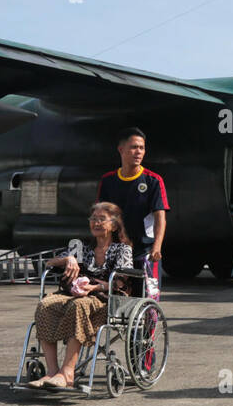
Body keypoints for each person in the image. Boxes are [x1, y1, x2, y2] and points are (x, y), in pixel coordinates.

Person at [29, 203, 134, 389]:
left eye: (102, 219)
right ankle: (52, 372)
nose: (96, 223)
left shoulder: (122, 250)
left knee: (79, 306)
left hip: (105, 299)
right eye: (93, 219)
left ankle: (67, 373)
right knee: (45, 305)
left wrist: (92, 288)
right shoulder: (81, 247)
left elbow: (119, 282)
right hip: (75, 295)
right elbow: (49, 263)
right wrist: (67, 259)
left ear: (115, 226)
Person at [96, 127, 168, 270]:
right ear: (121, 150)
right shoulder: (107, 180)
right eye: (134, 147)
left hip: (144, 252)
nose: (139, 152)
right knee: (114, 291)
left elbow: (160, 218)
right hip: (116, 251)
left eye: (142, 148)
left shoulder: (153, 180)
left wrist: (157, 247)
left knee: (146, 292)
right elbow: (101, 217)